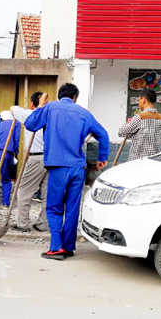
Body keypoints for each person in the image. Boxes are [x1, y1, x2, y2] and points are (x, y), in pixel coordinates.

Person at [25, 83, 110, 260]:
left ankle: (57, 248)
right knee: (72, 208)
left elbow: (30, 124)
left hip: (58, 167)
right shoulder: (84, 113)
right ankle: (68, 246)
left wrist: (40, 106)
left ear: (59, 95)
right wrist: (102, 157)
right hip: (78, 168)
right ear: (75, 98)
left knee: (54, 208)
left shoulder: (49, 108)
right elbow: (103, 134)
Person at [10, 92, 48, 232]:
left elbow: (12, 108)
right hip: (50, 158)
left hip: (36, 158)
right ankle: (43, 223)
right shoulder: (50, 116)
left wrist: (23, 109)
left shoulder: (29, 114)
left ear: (32, 104)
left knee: (24, 191)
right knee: (47, 194)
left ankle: (23, 223)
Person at [118, 89, 161, 162]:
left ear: (143, 100)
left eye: (139, 100)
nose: (138, 102)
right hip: (153, 161)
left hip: (137, 161)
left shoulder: (140, 117)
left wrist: (127, 123)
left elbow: (121, 132)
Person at [0, 111, 20, 207]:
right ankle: (5, 203)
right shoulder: (15, 123)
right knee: (6, 178)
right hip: (6, 152)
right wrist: (16, 151)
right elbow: (16, 139)